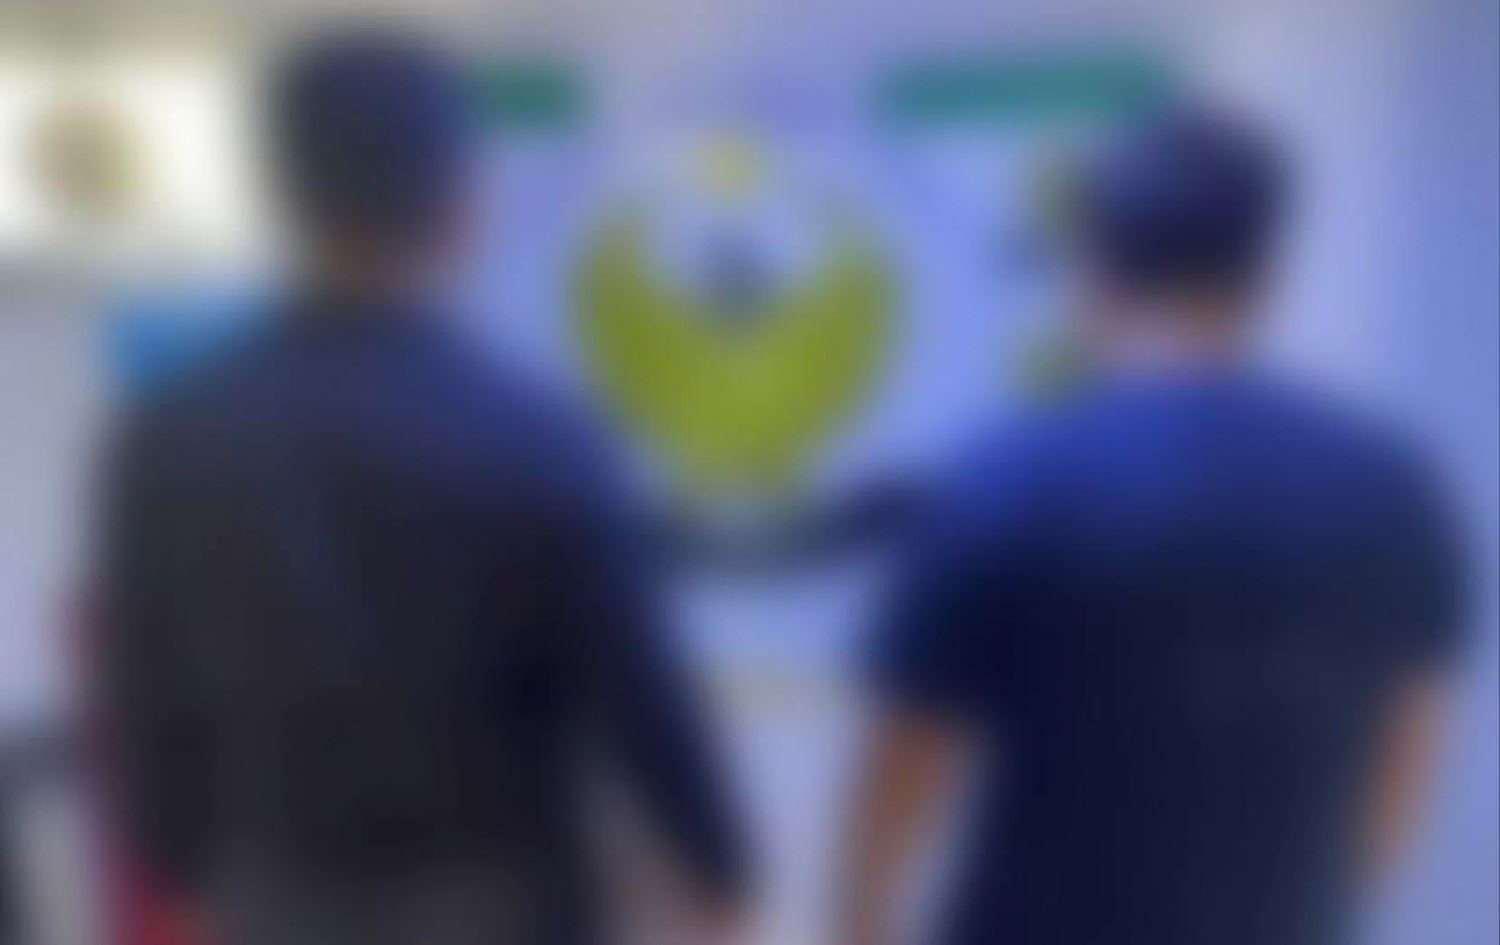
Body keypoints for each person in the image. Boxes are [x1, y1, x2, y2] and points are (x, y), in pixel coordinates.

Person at [97, 30, 746, 945]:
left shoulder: (171, 438)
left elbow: (146, 688)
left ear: (284, 197)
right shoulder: (536, 434)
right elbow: (638, 694)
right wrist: (717, 870)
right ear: (460, 205)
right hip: (506, 899)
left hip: (281, 892)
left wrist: (180, 866)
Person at [838, 109, 1465, 945]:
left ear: (1091, 273)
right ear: (1263, 278)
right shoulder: (1388, 488)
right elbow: (1406, 749)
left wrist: (863, 923)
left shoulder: (1010, 480)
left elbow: (907, 755)